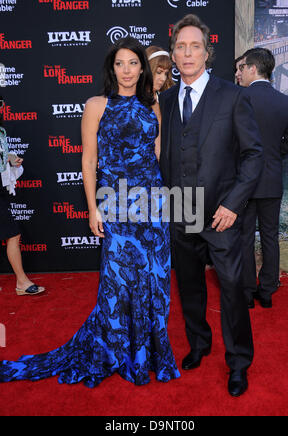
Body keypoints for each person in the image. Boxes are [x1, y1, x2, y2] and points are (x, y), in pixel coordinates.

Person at [0, 37, 180, 387]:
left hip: (152, 205)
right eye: (119, 64)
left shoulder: (153, 103)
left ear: (142, 68)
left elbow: (157, 152)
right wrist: (93, 208)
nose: (126, 70)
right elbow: (88, 160)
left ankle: (149, 350)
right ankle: (114, 350)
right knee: (117, 283)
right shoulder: (97, 104)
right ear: (111, 69)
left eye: (132, 63)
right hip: (115, 203)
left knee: (153, 280)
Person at [159, 14, 264, 397]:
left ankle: (238, 363)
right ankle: (199, 344)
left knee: (233, 290)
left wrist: (234, 204)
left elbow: (254, 155)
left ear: (208, 52)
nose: (187, 53)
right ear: (173, 54)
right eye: (181, 47)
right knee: (189, 288)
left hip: (222, 215)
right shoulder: (166, 99)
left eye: (195, 46)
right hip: (181, 211)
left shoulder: (233, 95)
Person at [239, 48, 288, 309]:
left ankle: (246, 292)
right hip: (271, 179)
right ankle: (266, 291)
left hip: (242, 180)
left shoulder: (238, 97)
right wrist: (272, 153)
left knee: (243, 238)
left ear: (253, 69)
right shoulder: (284, 102)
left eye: (242, 68)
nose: (238, 73)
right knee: (270, 237)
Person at [0, 97, 45, 296]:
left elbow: (3, 156)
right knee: (13, 234)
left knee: (12, 234)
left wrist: (11, 159)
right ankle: (21, 282)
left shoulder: (1, 132)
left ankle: (21, 282)